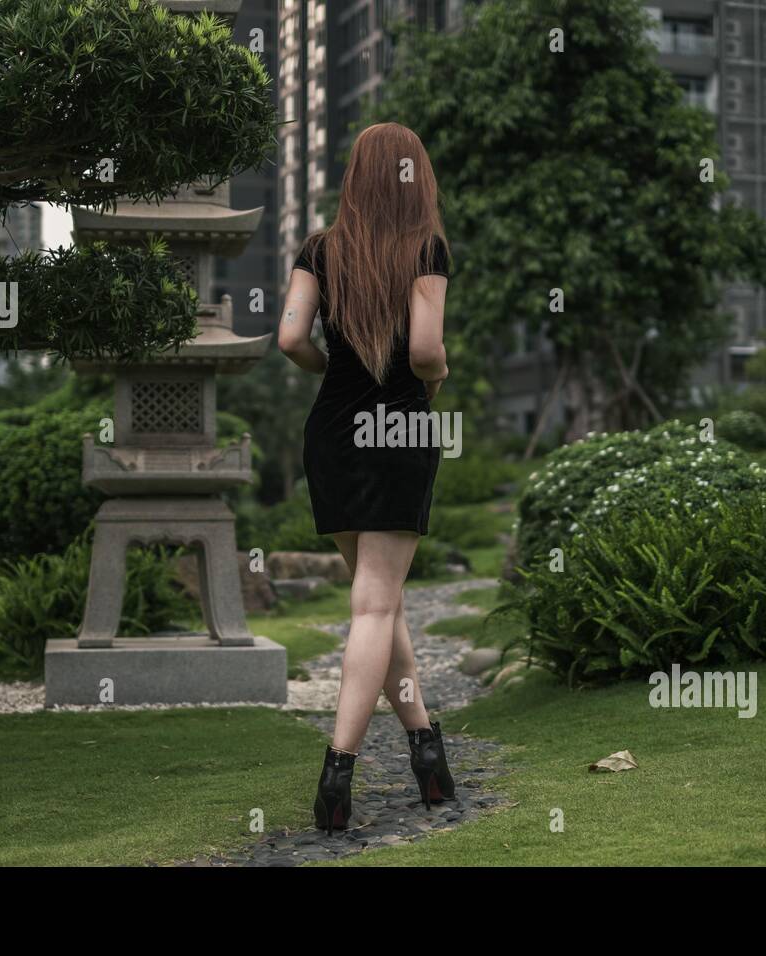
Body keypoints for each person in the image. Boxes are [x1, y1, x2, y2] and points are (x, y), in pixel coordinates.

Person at [278, 122, 456, 835]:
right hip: (399, 432)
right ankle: (338, 771)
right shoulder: (426, 248)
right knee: (376, 606)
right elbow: (423, 350)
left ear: (356, 176)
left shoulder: (319, 249)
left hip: (332, 433)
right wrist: (439, 376)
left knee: (376, 605)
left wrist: (331, 375)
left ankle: (428, 757)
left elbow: (290, 337)